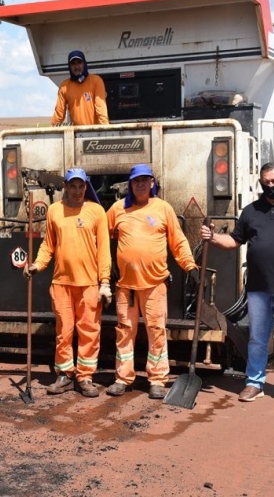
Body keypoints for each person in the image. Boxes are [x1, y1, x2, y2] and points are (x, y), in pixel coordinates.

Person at [200, 162, 274, 409]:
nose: (270, 186)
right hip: (258, 288)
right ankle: (254, 383)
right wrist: (213, 237)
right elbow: (234, 241)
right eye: (265, 182)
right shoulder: (251, 211)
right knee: (258, 338)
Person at [106, 164, 199, 399]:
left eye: (145, 180)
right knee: (124, 332)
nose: (140, 184)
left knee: (156, 331)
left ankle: (157, 379)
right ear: (130, 184)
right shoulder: (118, 209)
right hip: (125, 286)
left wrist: (190, 266)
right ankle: (122, 377)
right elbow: (101, 238)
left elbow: (178, 242)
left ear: (152, 183)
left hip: (154, 285)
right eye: (136, 181)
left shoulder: (163, 208)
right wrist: (108, 268)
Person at [23, 168, 112, 397]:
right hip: (61, 283)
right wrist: (37, 265)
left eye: (81, 186)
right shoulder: (55, 211)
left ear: (86, 187)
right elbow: (48, 245)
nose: (77, 191)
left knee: (89, 331)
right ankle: (64, 373)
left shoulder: (96, 211)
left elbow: (104, 250)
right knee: (64, 331)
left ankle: (85, 376)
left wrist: (105, 282)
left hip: (89, 284)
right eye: (72, 186)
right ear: (65, 186)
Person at [51, 50, 109, 126]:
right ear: (69, 66)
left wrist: (105, 130)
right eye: (73, 64)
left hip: (95, 133)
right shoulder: (64, 86)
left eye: (79, 62)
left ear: (84, 64)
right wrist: (52, 131)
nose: (76, 66)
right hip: (76, 134)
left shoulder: (96, 81)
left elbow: (101, 109)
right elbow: (59, 114)